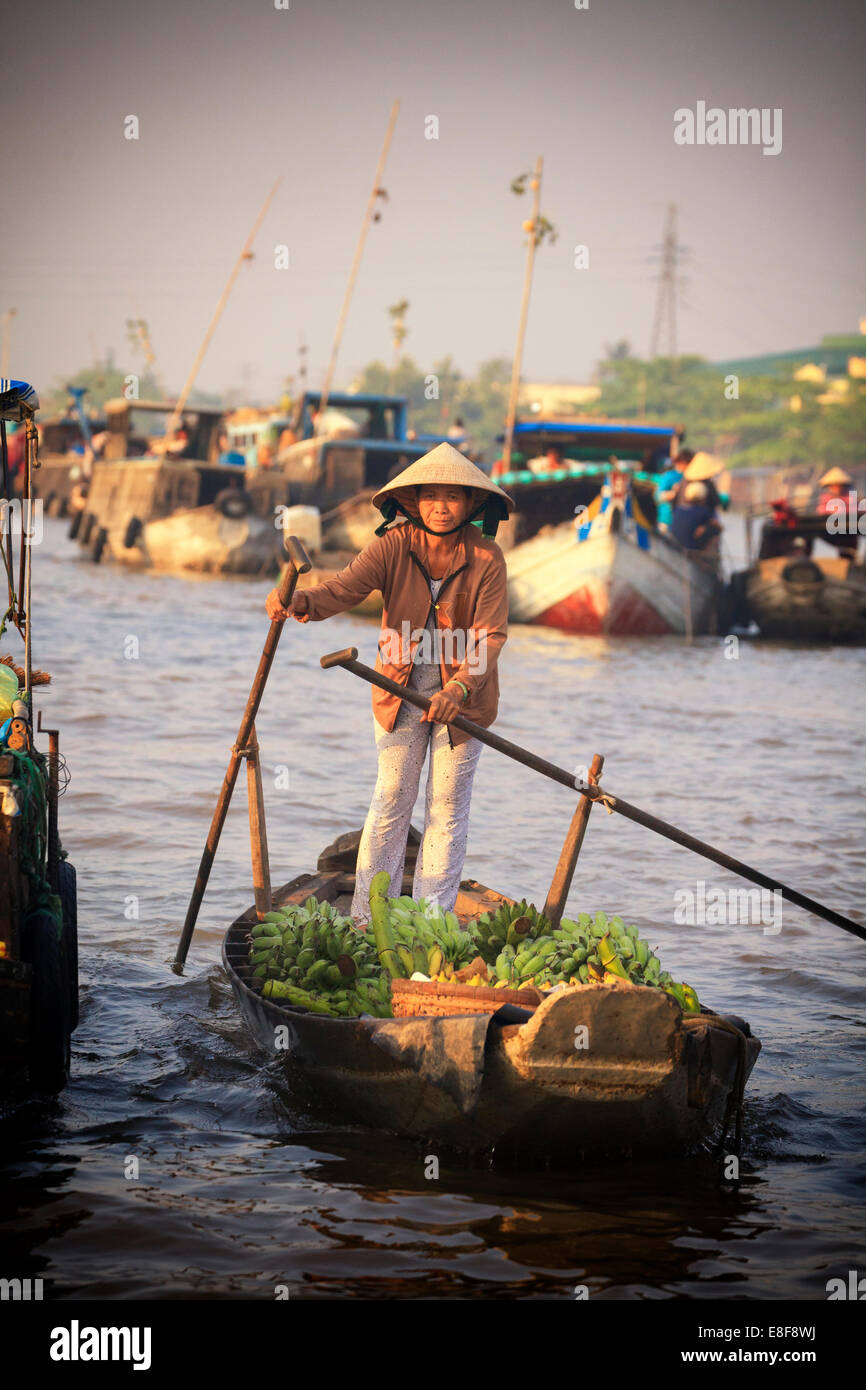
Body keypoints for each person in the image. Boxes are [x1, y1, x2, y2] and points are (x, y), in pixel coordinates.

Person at [265, 442, 514, 923]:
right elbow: (343, 588)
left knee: (447, 810)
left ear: (472, 505)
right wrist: (299, 603)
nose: (441, 507)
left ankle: (431, 925)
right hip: (398, 691)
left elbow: (490, 637)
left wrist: (457, 690)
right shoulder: (393, 545)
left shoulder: (487, 557)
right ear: (413, 500)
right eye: (431, 495)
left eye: (453, 497)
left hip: (465, 699)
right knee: (391, 801)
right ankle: (366, 918)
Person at [654, 448, 693, 530]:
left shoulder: (691, 477)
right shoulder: (670, 476)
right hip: (667, 519)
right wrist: (673, 493)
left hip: (684, 520)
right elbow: (657, 496)